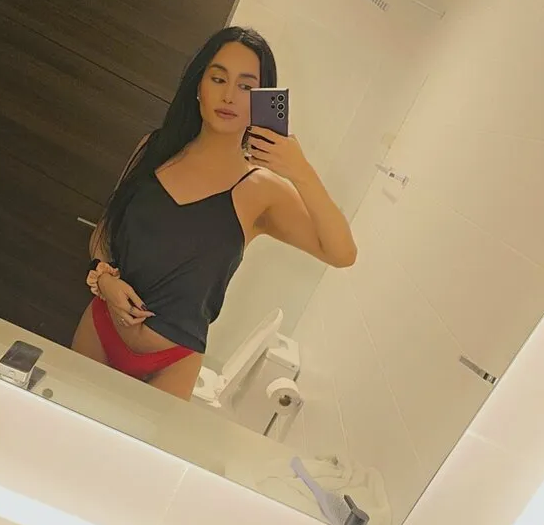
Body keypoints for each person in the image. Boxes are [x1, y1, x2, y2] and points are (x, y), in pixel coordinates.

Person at [72, 26, 357, 401]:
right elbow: (105, 230)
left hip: (171, 363)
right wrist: (104, 279)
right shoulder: (154, 148)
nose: (228, 96)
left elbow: (342, 253)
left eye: (245, 86)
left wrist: (301, 171)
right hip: (100, 328)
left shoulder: (262, 189)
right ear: (198, 87)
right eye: (218, 78)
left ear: (260, 100)